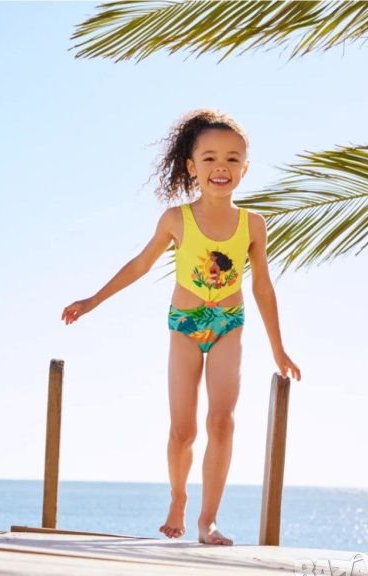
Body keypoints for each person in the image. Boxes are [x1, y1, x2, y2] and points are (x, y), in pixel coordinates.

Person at [61, 108, 301, 545]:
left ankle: (208, 521)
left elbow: (263, 287)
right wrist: (92, 301)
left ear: (245, 169)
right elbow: (139, 265)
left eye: (232, 159)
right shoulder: (176, 219)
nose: (221, 167)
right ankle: (178, 497)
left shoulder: (253, 225)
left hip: (228, 324)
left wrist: (278, 348)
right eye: (209, 158)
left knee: (222, 422)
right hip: (185, 325)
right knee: (183, 430)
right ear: (192, 166)